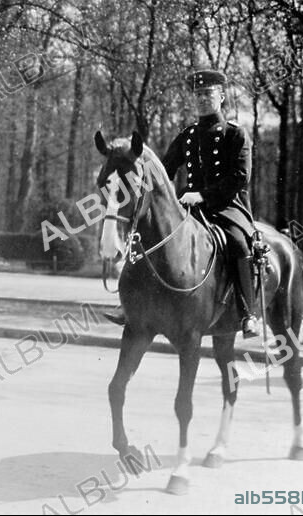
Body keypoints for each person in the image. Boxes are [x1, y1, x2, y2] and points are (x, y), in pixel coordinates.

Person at [106, 69, 261, 338]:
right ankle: (129, 304)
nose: (202, 99)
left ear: (221, 97)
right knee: (151, 236)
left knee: (238, 243)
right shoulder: (187, 135)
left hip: (226, 207)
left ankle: (247, 313)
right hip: (188, 207)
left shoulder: (236, 135)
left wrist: (204, 195)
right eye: (198, 94)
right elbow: (163, 170)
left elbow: (240, 176)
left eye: (208, 94)